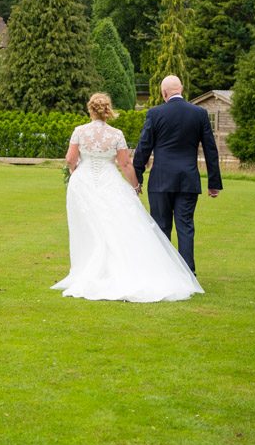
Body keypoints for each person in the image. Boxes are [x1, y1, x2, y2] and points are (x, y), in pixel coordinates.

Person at [52, 93, 203, 302]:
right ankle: (109, 268)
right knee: (113, 224)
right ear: (107, 110)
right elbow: (125, 164)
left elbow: (70, 158)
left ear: (90, 109)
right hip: (109, 181)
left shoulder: (79, 131)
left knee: (87, 226)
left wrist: (74, 170)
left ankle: (90, 269)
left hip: (83, 182)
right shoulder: (116, 134)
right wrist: (135, 185)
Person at [132, 75, 222, 274]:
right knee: (185, 226)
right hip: (188, 179)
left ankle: (162, 272)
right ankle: (187, 272)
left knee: (161, 226)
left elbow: (143, 148)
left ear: (164, 93)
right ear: (181, 90)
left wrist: (136, 178)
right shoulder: (199, 113)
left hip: (161, 180)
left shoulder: (155, 114)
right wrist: (213, 182)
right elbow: (210, 149)